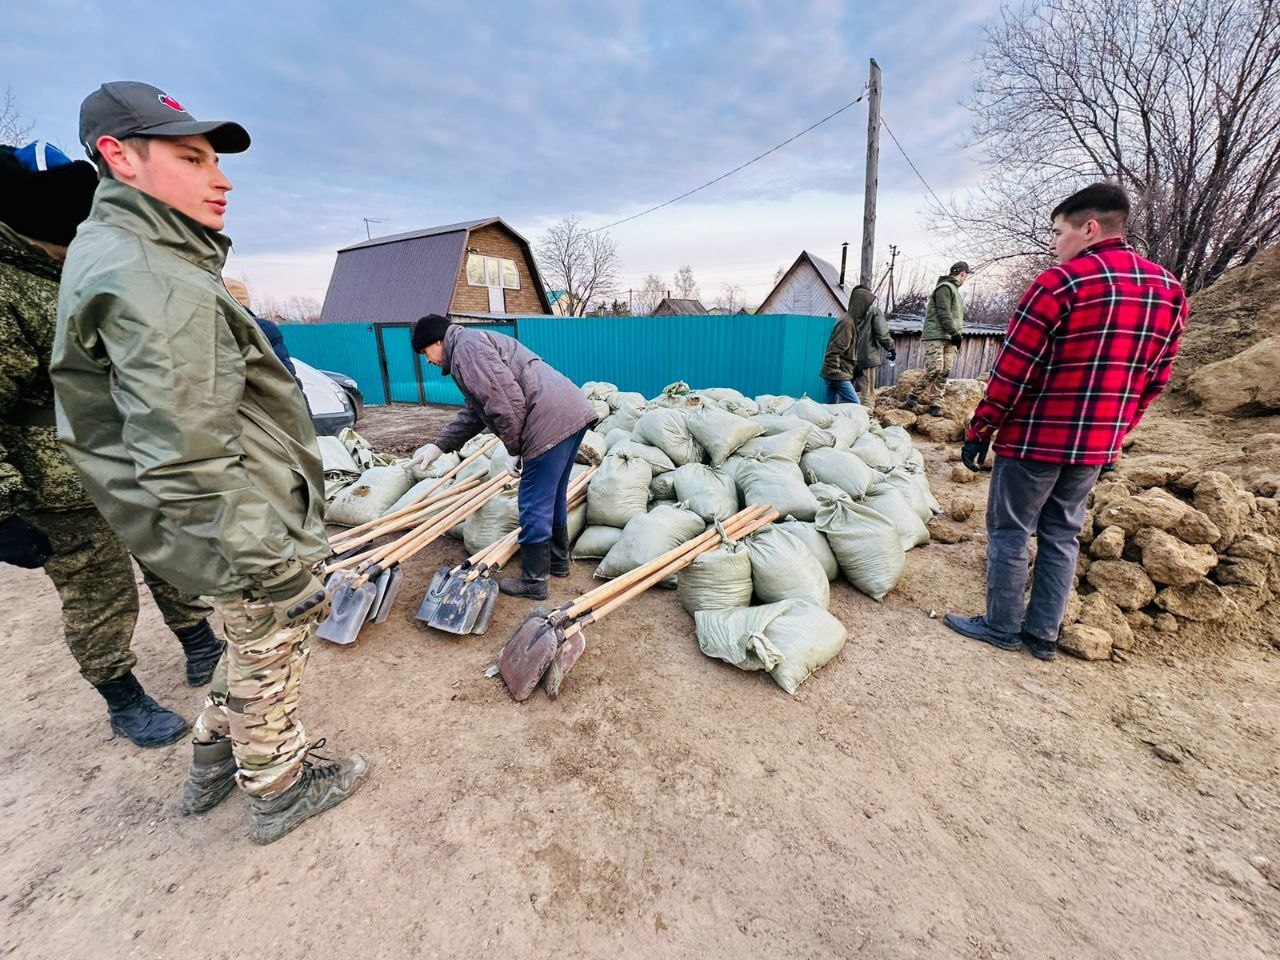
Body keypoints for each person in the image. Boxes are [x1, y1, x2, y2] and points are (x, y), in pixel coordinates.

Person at [52, 81, 367, 843]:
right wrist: (277, 565)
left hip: (211, 526)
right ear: (119, 157)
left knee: (247, 646)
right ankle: (278, 788)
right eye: (192, 158)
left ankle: (210, 765)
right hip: (239, 524)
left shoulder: (128, 256)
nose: (220, 177)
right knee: (269, 658)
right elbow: (189, 457)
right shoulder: (153, 278)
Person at [0, 140, 221, 748]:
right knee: (98, 594)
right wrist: (4, 508)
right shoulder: (8, 290)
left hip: (132, 461)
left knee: (172, 559)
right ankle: (122, 696)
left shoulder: (83, 269)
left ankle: (200, 643)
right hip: (60, 485)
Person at [944, 183, 1187, 661]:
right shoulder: (1170, 291)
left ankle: (1002, 625)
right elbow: (1154, 380)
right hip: (1095, 446)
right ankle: (1043, 635)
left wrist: (980, 429)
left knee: (1011, 531)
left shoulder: (1061, 284)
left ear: (1089, 228)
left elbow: (1013, 368)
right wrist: (1117, 434)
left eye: (1059, 232)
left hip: (1036, 438)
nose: (1055, 243)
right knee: (1062, 533)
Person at [409, 314, 597, 600]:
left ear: (437, 341)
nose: (428, 360)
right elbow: (476, 411)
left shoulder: (466, 350)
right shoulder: (471, 344)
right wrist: (440, 446)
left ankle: (534, 582)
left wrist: (515, 449)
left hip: (548, 419)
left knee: (533, 500)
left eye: (425, 353)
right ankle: (558, 564)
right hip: (569, 412)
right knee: (554, 494)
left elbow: (506, 405)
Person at [905, 261, 969, 417]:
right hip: (937, 335)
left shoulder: (955, 291)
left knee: (945, 371)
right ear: (962, 273)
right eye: (966, 274)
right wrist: (954, 333)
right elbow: (943, 312)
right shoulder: (945, 288)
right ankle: (913, 396)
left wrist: (956, 335)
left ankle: (936, 404)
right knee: (936, 368)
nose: (966, 277)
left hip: (951, 336)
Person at [848, 283, 896, 408]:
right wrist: (891, 348)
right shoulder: (874, 311)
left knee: (844, 391)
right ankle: (867, 420)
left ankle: (839, 419)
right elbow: (883, 335)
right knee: (867, 394)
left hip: (847, 358)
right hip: (866, 358)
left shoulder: (848, 314)